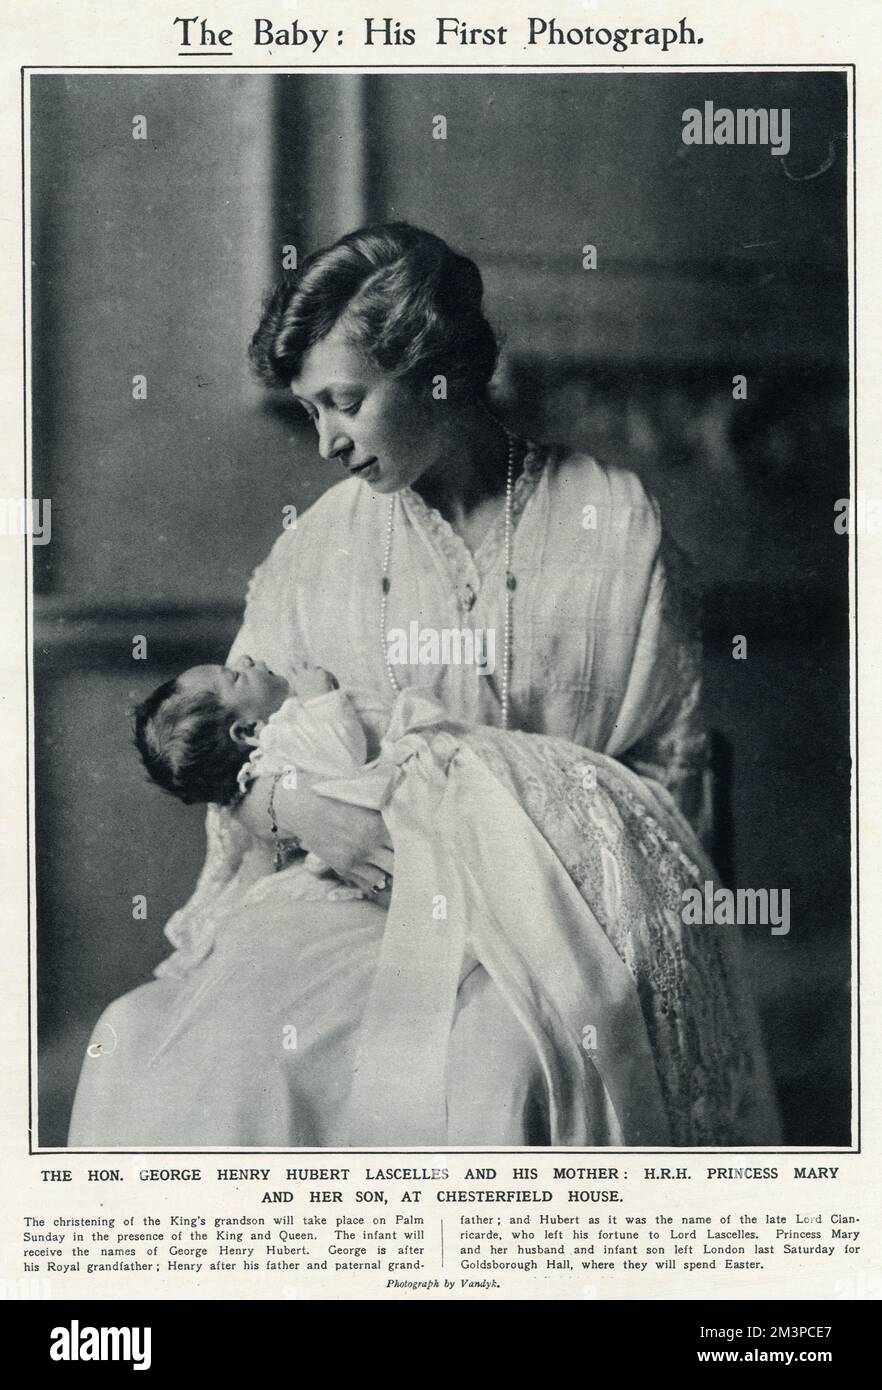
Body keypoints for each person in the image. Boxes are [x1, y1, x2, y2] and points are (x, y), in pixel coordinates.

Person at [68, 221, 782, 1148]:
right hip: (358, 901)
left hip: (557, 916)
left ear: (433, 369)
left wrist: (504, 814)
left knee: (492, 1073)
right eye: (311, 411)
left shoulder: (612, 521)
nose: (324, 440)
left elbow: (668, 780)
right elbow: (239, 767)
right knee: (156, 1044)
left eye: (344, 402)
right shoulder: (323, 542)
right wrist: (298, 807)